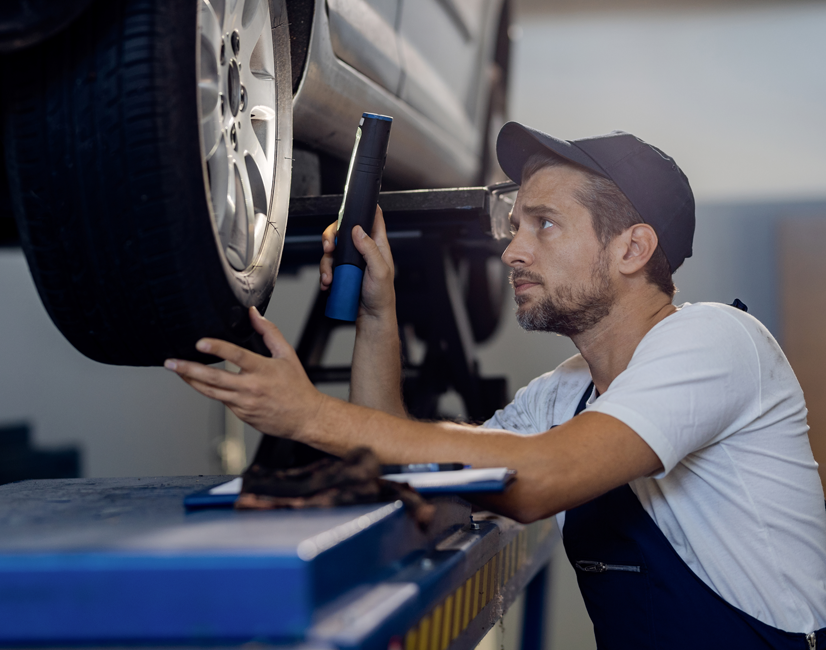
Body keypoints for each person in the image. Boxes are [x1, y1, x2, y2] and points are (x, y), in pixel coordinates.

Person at [165, 122, 826, 648]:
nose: (512, 251)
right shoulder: (564, 395)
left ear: (631, 249)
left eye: (543, 224)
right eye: (514, 227)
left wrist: (309, 415)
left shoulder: (717, 342)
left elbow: (538, 478)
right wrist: (378, 310)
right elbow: (425, 463)